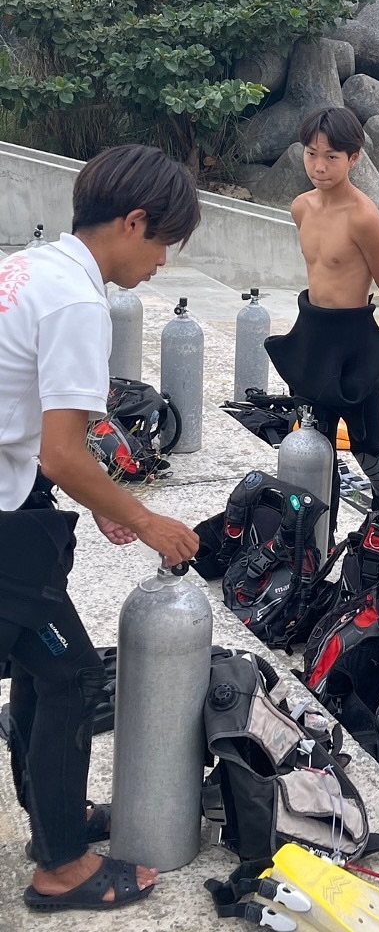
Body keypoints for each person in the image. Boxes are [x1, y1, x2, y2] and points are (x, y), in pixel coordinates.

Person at [0, 144, 201, 911]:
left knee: (45, 667)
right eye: (163, 243)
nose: (161, 262)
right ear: (134, 221)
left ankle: (54, 821)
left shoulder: (32, 267)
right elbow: (62, 449)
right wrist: (144, 519)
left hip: (17, 497)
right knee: (72, 675)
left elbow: (33, 426)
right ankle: (62, 868)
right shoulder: (80, 305)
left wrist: (99, 502)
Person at [265, 107, 379, 529]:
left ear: (353, 158)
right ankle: (314, 545)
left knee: (371, 454)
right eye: (311, 154)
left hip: (355, 342)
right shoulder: (301, 207)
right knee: (312, 447)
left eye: (331, 157)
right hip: (312, 337)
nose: (319, 166)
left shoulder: (364, 217)